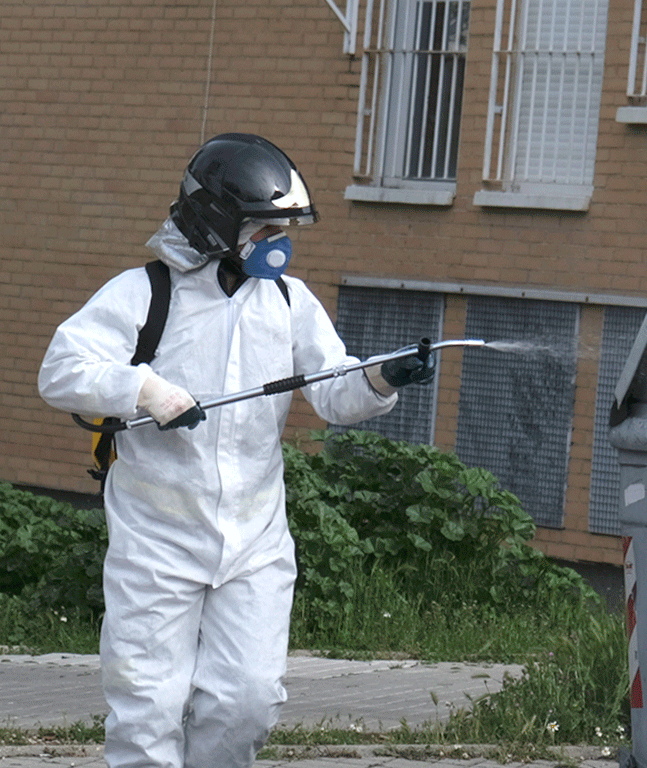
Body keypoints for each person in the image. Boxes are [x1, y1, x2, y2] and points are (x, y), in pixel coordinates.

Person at [37, 133, 434, 768]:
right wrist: (145, 388)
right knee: (148, 708)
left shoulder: (286, 301)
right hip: (156, 543)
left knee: (248, 701)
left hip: (254, 542)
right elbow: (60, 370)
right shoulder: (145, 294)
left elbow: (333, 392)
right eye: (266, 226)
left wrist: (381, 379)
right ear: (217, 222)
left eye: (284, 228)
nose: (280, 241)